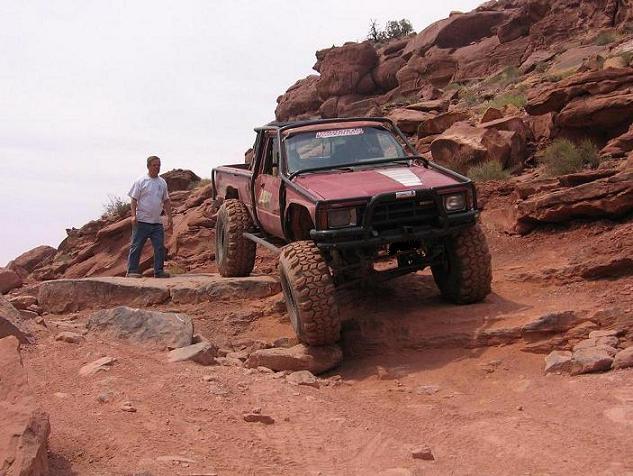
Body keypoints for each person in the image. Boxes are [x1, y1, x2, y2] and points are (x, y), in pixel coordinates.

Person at [126, 156, 173, 278]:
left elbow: (166, 200)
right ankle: (132, 271)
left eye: (159, 165)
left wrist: (170, 217)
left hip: (156, 222)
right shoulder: (141, 181)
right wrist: (133, 216)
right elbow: (134, 199)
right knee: (136, 246)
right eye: (154, 165)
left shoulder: (162, 182)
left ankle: (159, 271)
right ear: (148, 166)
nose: (157, 167)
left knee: (159, 247)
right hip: (142, 221)